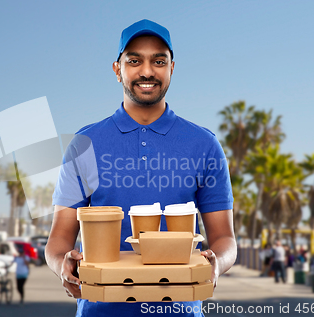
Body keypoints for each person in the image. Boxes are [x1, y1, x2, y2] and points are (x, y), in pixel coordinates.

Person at [45, 19, 236, 317]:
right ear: (117, 69)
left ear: (172, 68)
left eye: (158, 61)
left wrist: (217, 264)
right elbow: (59, 238)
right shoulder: (84, 144)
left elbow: (225, 238)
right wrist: (62, 265)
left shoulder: (204, 144)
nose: (147, 71)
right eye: (134, 60)